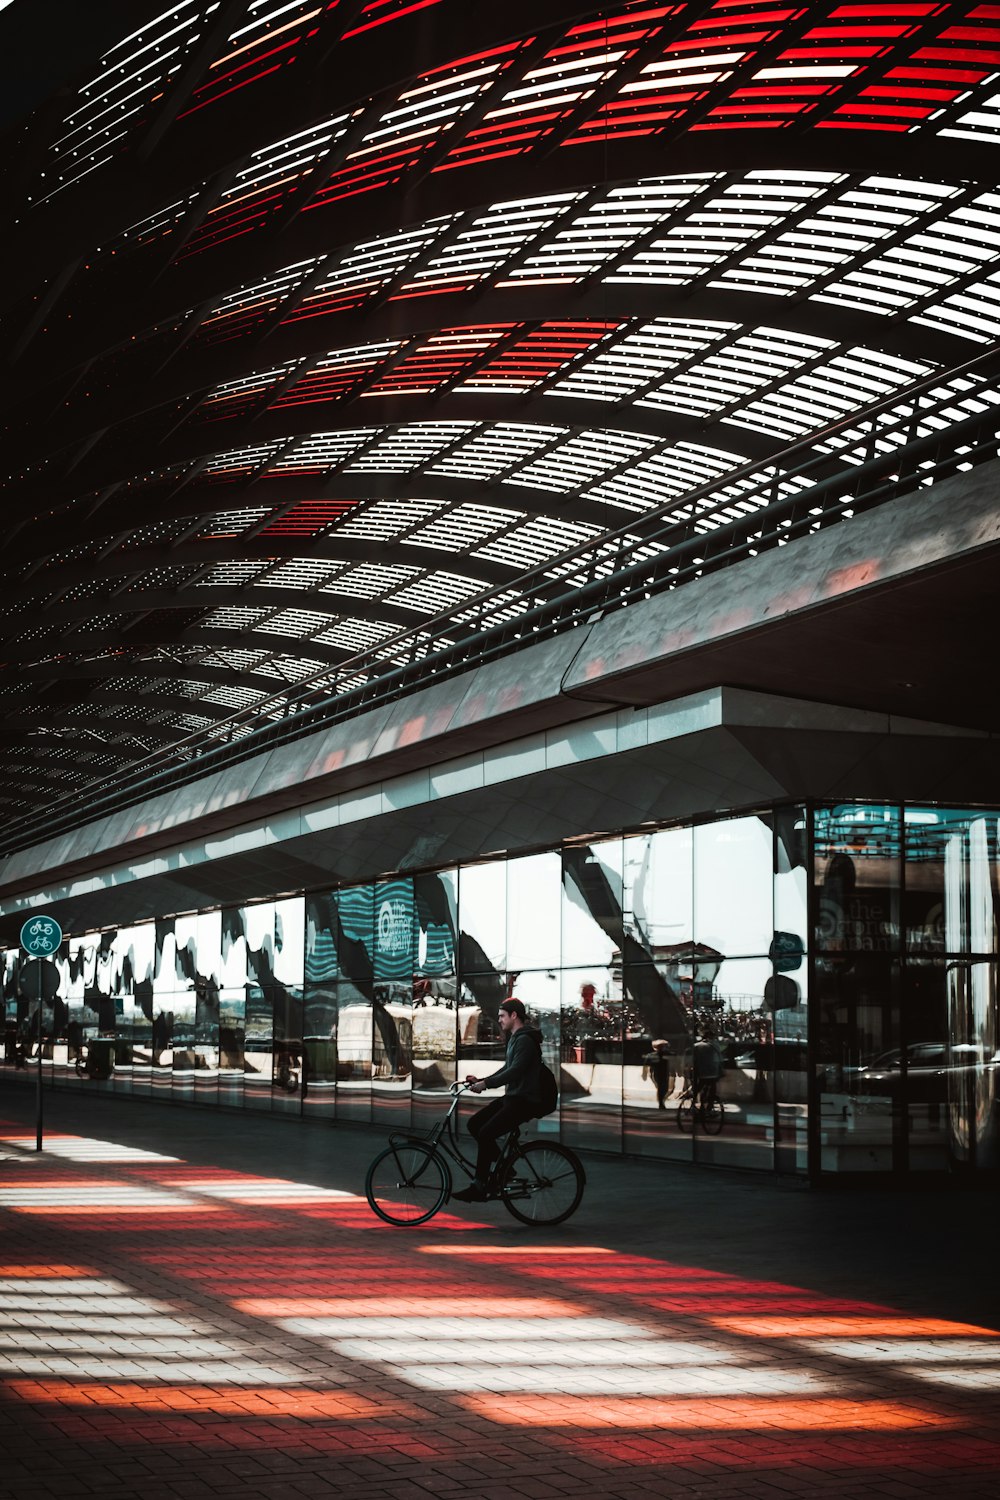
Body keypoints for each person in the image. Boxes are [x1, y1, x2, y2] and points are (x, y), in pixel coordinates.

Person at [452, 997, 543, 1202]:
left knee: (485, 1134)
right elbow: (507, 1069)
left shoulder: (525, 1040)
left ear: (514, 1015)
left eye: (502, 1016)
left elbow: (516, 1071)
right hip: (513, 1098)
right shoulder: (515, 1039)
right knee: (475, 1124)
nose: (499, 1020)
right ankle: (506, 1169)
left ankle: (479, 1186)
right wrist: (483, 1081)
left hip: (524, 1101)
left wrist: (486, 1085)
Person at [643, 1038, 673, 1109]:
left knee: (665, 1088)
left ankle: (661, 1101)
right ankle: (661, 1103)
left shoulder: (666, 1054)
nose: (663, 1048)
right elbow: (646, 1066)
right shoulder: (652, 1055)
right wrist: (645, 1074)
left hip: (665, 1073)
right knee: (661, 1088)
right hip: (657, 1074)